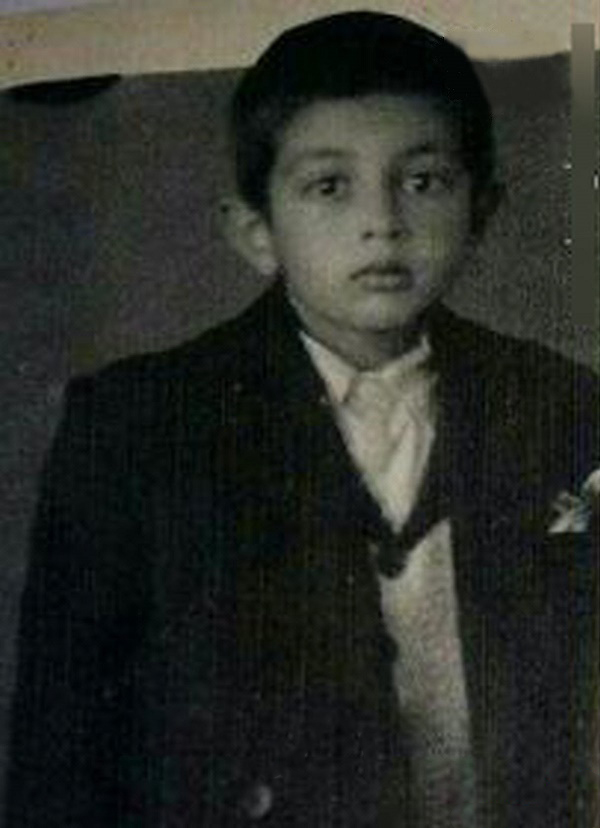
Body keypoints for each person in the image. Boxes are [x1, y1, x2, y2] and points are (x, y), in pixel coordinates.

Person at [5, 11, 598, 828]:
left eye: (424, 181)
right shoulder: (142, 423)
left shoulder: (561, 404)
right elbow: (61, 756)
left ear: (482, 210)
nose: (382, 221)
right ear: (256, 232)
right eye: (330, 186)